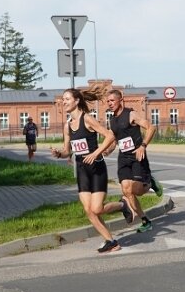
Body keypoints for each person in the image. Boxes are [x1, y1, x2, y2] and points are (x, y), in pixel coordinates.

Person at [50, 86, 132, 253]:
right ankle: (111, 241)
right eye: (62, 100)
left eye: (66, 99)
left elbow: (110, 136)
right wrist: (60, 154)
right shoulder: (67, 126)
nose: (63, 102)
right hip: (81, 170)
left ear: (77, 100)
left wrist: (96, 153)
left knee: (97, 209)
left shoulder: (87, 119)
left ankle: (122, 205)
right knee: (89, 211)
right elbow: (68, 151)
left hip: (96, 168)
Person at [105, 88, 163, 233]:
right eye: (108, 101)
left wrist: (143, 146)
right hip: (123, 158)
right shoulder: (112, 120)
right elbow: (114, 140)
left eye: (112, 100)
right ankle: (145, 220)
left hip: (137, 156)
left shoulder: (130, 114)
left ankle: (150, 182)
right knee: (126, 190)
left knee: (137, 191)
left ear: (120, 100)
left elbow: (151, 128)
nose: (109, 103)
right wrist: (107, 151)